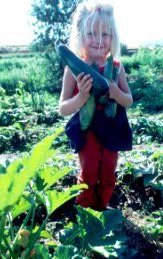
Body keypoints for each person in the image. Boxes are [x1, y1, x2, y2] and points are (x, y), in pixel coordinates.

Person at [59, 0, 133, 211]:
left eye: (105, 34)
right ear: (80, 35)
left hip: (112, 127)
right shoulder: (73, 69)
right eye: (92, 33)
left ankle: (102, 207)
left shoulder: (117, 68)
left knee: (109, 171)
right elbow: (63, 108)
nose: (99, 40)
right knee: (89, 169)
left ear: (113, 38)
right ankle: (84, 210)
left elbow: (128, 101)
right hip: (88, 127)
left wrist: (116, 93)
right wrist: (82, 96)